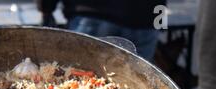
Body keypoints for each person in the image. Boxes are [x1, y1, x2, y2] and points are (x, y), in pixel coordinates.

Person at [36, 0, 166, 61]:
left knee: (82, 87)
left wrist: (46, 8)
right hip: (146, 18)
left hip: (91, 15)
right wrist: (160, 20)